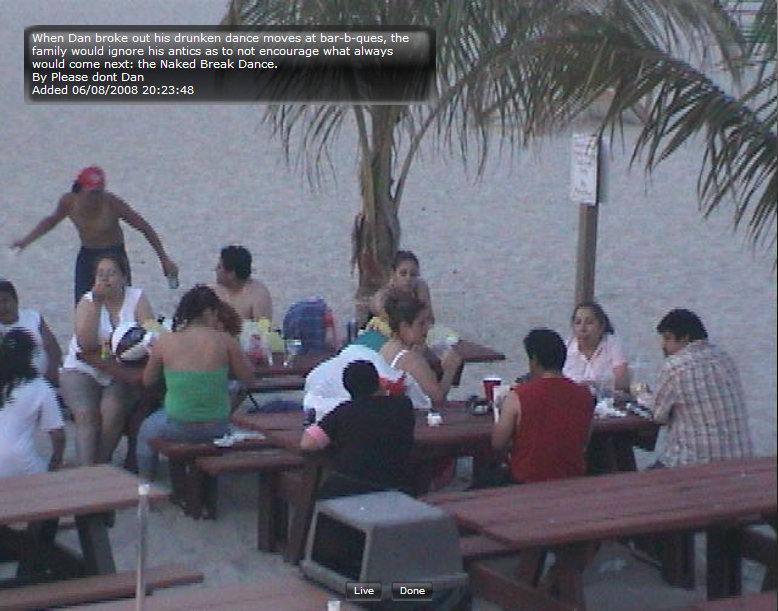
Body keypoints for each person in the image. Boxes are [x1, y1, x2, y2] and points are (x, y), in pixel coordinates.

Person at [11, 166, 178, 304]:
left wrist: (164, 258)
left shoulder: (111, 203)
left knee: (122, 301)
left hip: (114, 252)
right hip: (87, 253)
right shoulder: (69, 202)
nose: (96, 197)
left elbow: (144, 227)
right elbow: (51, 221)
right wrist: (26, 241)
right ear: (80, 189)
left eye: (99, 192)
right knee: (83, 301)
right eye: (92, 192)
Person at [136, 285, 254, 480]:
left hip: (178, 425)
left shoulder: (166, 341)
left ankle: (146, 483)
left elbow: (148, 380)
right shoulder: (225, 341)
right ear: (209, 313)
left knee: (145, 430)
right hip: (217, 425)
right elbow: (248, 377)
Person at [59, 253, 153, 465]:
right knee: (86, 414)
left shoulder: (137, 297)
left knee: (113, 410)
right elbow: (85, 344)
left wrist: (155, 335)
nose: (105, 278)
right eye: (100, 274)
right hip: (82, 368)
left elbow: (150, 330)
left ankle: (101, 463)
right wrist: (96, 303)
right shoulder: (87, 301)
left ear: (124, 277)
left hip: (119, 370)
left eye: (111, 273)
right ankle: (87, 468)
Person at [649, 308, 753, 467]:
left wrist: (642, 396)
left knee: (638, 480)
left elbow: (658, 416)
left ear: (685, 338)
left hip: (692, 465)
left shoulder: (674, 367)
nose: (663, 345)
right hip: (741, 462)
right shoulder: (724, 357)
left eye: (667, 339)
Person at [300, 360, 415, 498]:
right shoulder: (403, 405)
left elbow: (307, 444)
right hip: (398, 485)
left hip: (352, 487)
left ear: (348, 388)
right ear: (378, 381)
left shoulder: (344, 412)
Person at [492, 328, 594, 484]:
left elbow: (498, 443)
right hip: (572, 479)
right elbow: (584, 441)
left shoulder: (518, 396)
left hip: (526, 480)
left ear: (534, 360)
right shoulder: (585, 395)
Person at [378, 290, 462, 410]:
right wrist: (449, 370)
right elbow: (438, 399)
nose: (427, 328)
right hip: (416, 417)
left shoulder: (386, 348)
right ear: (404, 326)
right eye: (421, 324)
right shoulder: (411, 360)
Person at [0, 329, 65, 477]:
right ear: (31, 355)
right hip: (18, 463)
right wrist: (56, 461)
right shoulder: (40, 387)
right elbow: (57, 434)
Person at [0, 279, 62, 385]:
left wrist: (51, 374)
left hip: (46, 379)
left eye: (5, 301)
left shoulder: (33, 317)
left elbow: (53, 348)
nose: (2, 307)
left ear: (16, 300)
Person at [563, 301, 630, 395]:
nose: (582, 328)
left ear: (601, 326)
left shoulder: (612, 344)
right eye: (578, 323)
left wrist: (596, 384)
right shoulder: (566, 347)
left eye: (589, 323)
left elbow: (623, 382)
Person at [369, 250, 434, 327]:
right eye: (403, 273)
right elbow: (389, 325)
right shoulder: (382, 297)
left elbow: (430, 319)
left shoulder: (420, 287)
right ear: (393, 274)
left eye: (413, 274)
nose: (408, 278)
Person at [211, 245, 272, 321]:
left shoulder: (258, 295)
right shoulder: (213, 292)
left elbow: (263, 326)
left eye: (219, 267)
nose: (215, 270)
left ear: (231, 274)